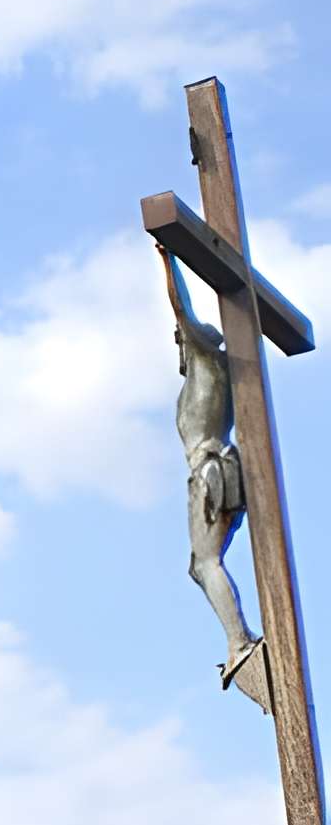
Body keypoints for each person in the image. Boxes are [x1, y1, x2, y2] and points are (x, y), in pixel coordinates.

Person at [162, 250, 270, 711]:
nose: (178, 345)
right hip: (223, 466)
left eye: (181, 340)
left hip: (209, 468)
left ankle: (240, 642)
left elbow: (182, 310)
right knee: (200, 565)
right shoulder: (216, 372)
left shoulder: (207, 360)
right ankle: (238, 639)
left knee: (204, 565)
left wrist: (168, 260)